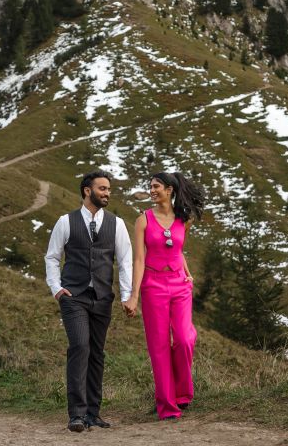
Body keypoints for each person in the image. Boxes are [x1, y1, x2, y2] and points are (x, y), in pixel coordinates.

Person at [44, 170, 133, 432]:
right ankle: (77, 415)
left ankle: (93, 413)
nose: (107, 193)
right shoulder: (65, 221)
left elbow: (125, 261)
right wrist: (56, 288)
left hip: (102, 298)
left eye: (109, 189)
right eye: (102, 188)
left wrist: (126, 295)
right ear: (87, 191)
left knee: (96, 353)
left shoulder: (117, 224)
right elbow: (52, 257)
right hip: (74, 297)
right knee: (80, 346)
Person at [122, 171, 205, 421]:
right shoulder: (143, 220)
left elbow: (178, 250)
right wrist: (133, 295)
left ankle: (183, 393)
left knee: (183, 338)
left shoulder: (184, 219)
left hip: (180, 286)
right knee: (159, 347)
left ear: (169, 190)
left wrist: (188, 273)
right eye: (150, 186)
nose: (152, 190)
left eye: (156, 186)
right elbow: (139, 259)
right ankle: (168, 406)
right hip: (153, 286)